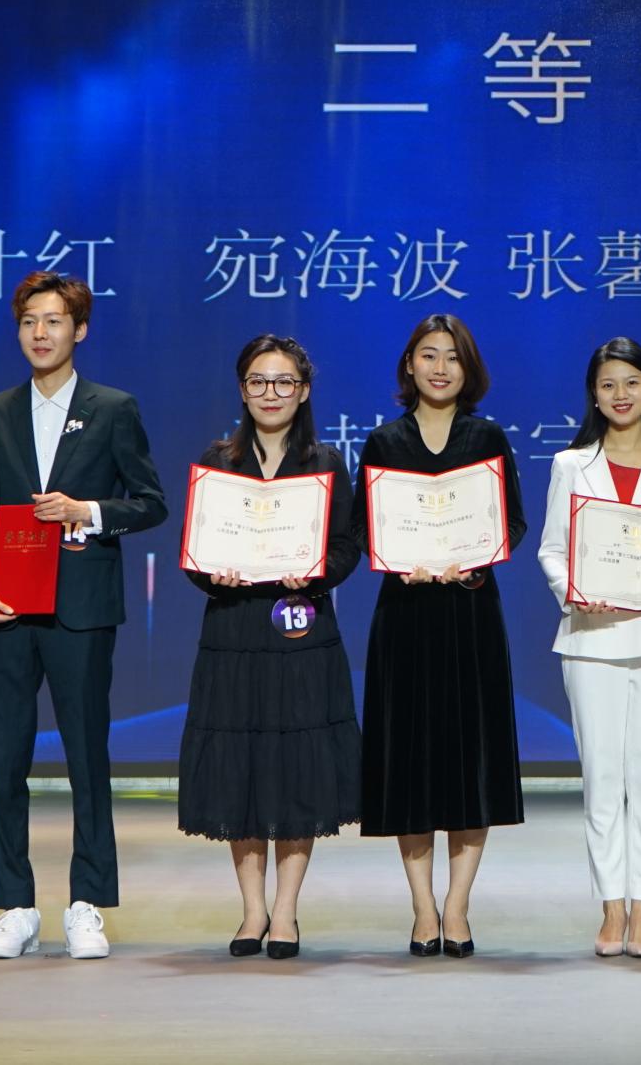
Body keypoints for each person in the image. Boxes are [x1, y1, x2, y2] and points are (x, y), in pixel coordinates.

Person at [0, 270, 168, 962]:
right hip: (8, 609)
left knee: (87, 758)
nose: (40, 333)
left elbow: (151, 502)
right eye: (28, 322)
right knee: (5, 760)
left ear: (80, 329)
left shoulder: (113, 408)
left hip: (82, 609)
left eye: (53, 321)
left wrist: (89, 512)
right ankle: (15, 906)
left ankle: (87, 904)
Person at [178, 334, 363, 961]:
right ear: (242, 389)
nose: (271, 393)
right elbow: (194, 553)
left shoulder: (326, 462)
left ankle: (285, 910)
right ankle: (252, 909)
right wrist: (214, 574)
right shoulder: (218, 460)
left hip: (302, 630)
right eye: (258, 381)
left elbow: (347, 547)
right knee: (241, 765)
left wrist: (312, 572)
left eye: (284, 382)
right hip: (233, 630)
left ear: (303, 391)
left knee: (295, 766)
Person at [356, 313, 528, 958]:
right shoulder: (383, 442)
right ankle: (422, 906)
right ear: (409, 364)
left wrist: (476, 558)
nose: (439, 367)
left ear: (468, 368)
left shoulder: (487, 437)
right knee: (411, 763)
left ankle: (457, 905)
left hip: (469, 614)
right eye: (428, 355)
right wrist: (398, 559)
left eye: (452, 357)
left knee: (469, 762)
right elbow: (363, 526)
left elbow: (512, 521)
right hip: (404, 618)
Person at [535, 337, 641, 959]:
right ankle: (611, 907)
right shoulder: (570, 465)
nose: (621, 394)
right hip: (591, 638)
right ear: (594, 395)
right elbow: (553, 549)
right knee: (602, 777)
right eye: (608, 385)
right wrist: (574, 592)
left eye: (632, 382)